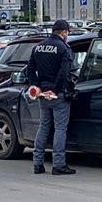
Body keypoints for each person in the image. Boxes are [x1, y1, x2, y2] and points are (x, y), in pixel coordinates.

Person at [27, 20, 76, 175]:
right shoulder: (63, 48)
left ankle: (38, 164)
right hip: (58, 94)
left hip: (42, 93)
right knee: (60, 129)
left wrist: (36, 87)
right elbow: (64, 73)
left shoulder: (38, 47)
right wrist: (54, 91)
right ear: (64, 33)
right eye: (67, 33)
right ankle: (58, 165)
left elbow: (30, 70)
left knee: (44, 126)